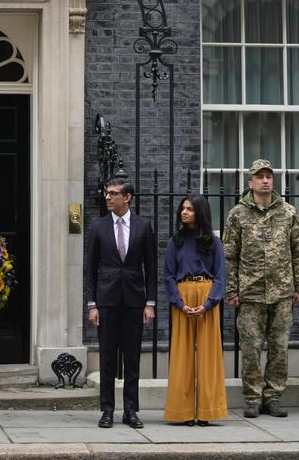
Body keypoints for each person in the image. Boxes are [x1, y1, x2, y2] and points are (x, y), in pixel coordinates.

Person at [224, 159, 299, 419]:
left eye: (269, 176)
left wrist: (297, 286)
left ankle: (274, 397)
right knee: (251, 348)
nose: (265, 180)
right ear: (250, 183)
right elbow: (230, 256)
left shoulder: (289, 212)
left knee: (279, 347)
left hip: (282, 292)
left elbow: (297, 252)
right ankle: (253, 398)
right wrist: (232, 291)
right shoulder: (237, 214)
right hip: (250, 292)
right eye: (260, 177)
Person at [85, 177, 156, 429]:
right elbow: (90, 269)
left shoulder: (143, 226)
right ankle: (106, 410)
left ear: (127, 198)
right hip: (107, 300)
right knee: (107, 358)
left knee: (132, 358)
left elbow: (152, 267)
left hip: (135, 301)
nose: (107, 197)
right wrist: (92, 304)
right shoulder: (98, 226)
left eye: (113, 193)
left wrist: (150, 303)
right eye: (106, 193)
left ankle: (130, 410)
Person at [163, 195, 228, 425]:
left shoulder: (213, 242)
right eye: (183, 208)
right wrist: (180, 304)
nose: (184, 212)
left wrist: (208, 303)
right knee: (182, 356)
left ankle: (208, 412)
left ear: (199, 212)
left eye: (190, 209)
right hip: (183, 296)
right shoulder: (175, 241)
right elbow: (169, 276)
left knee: (209, 356)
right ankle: (183, 412)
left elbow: (220, 276)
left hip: (206, 296)